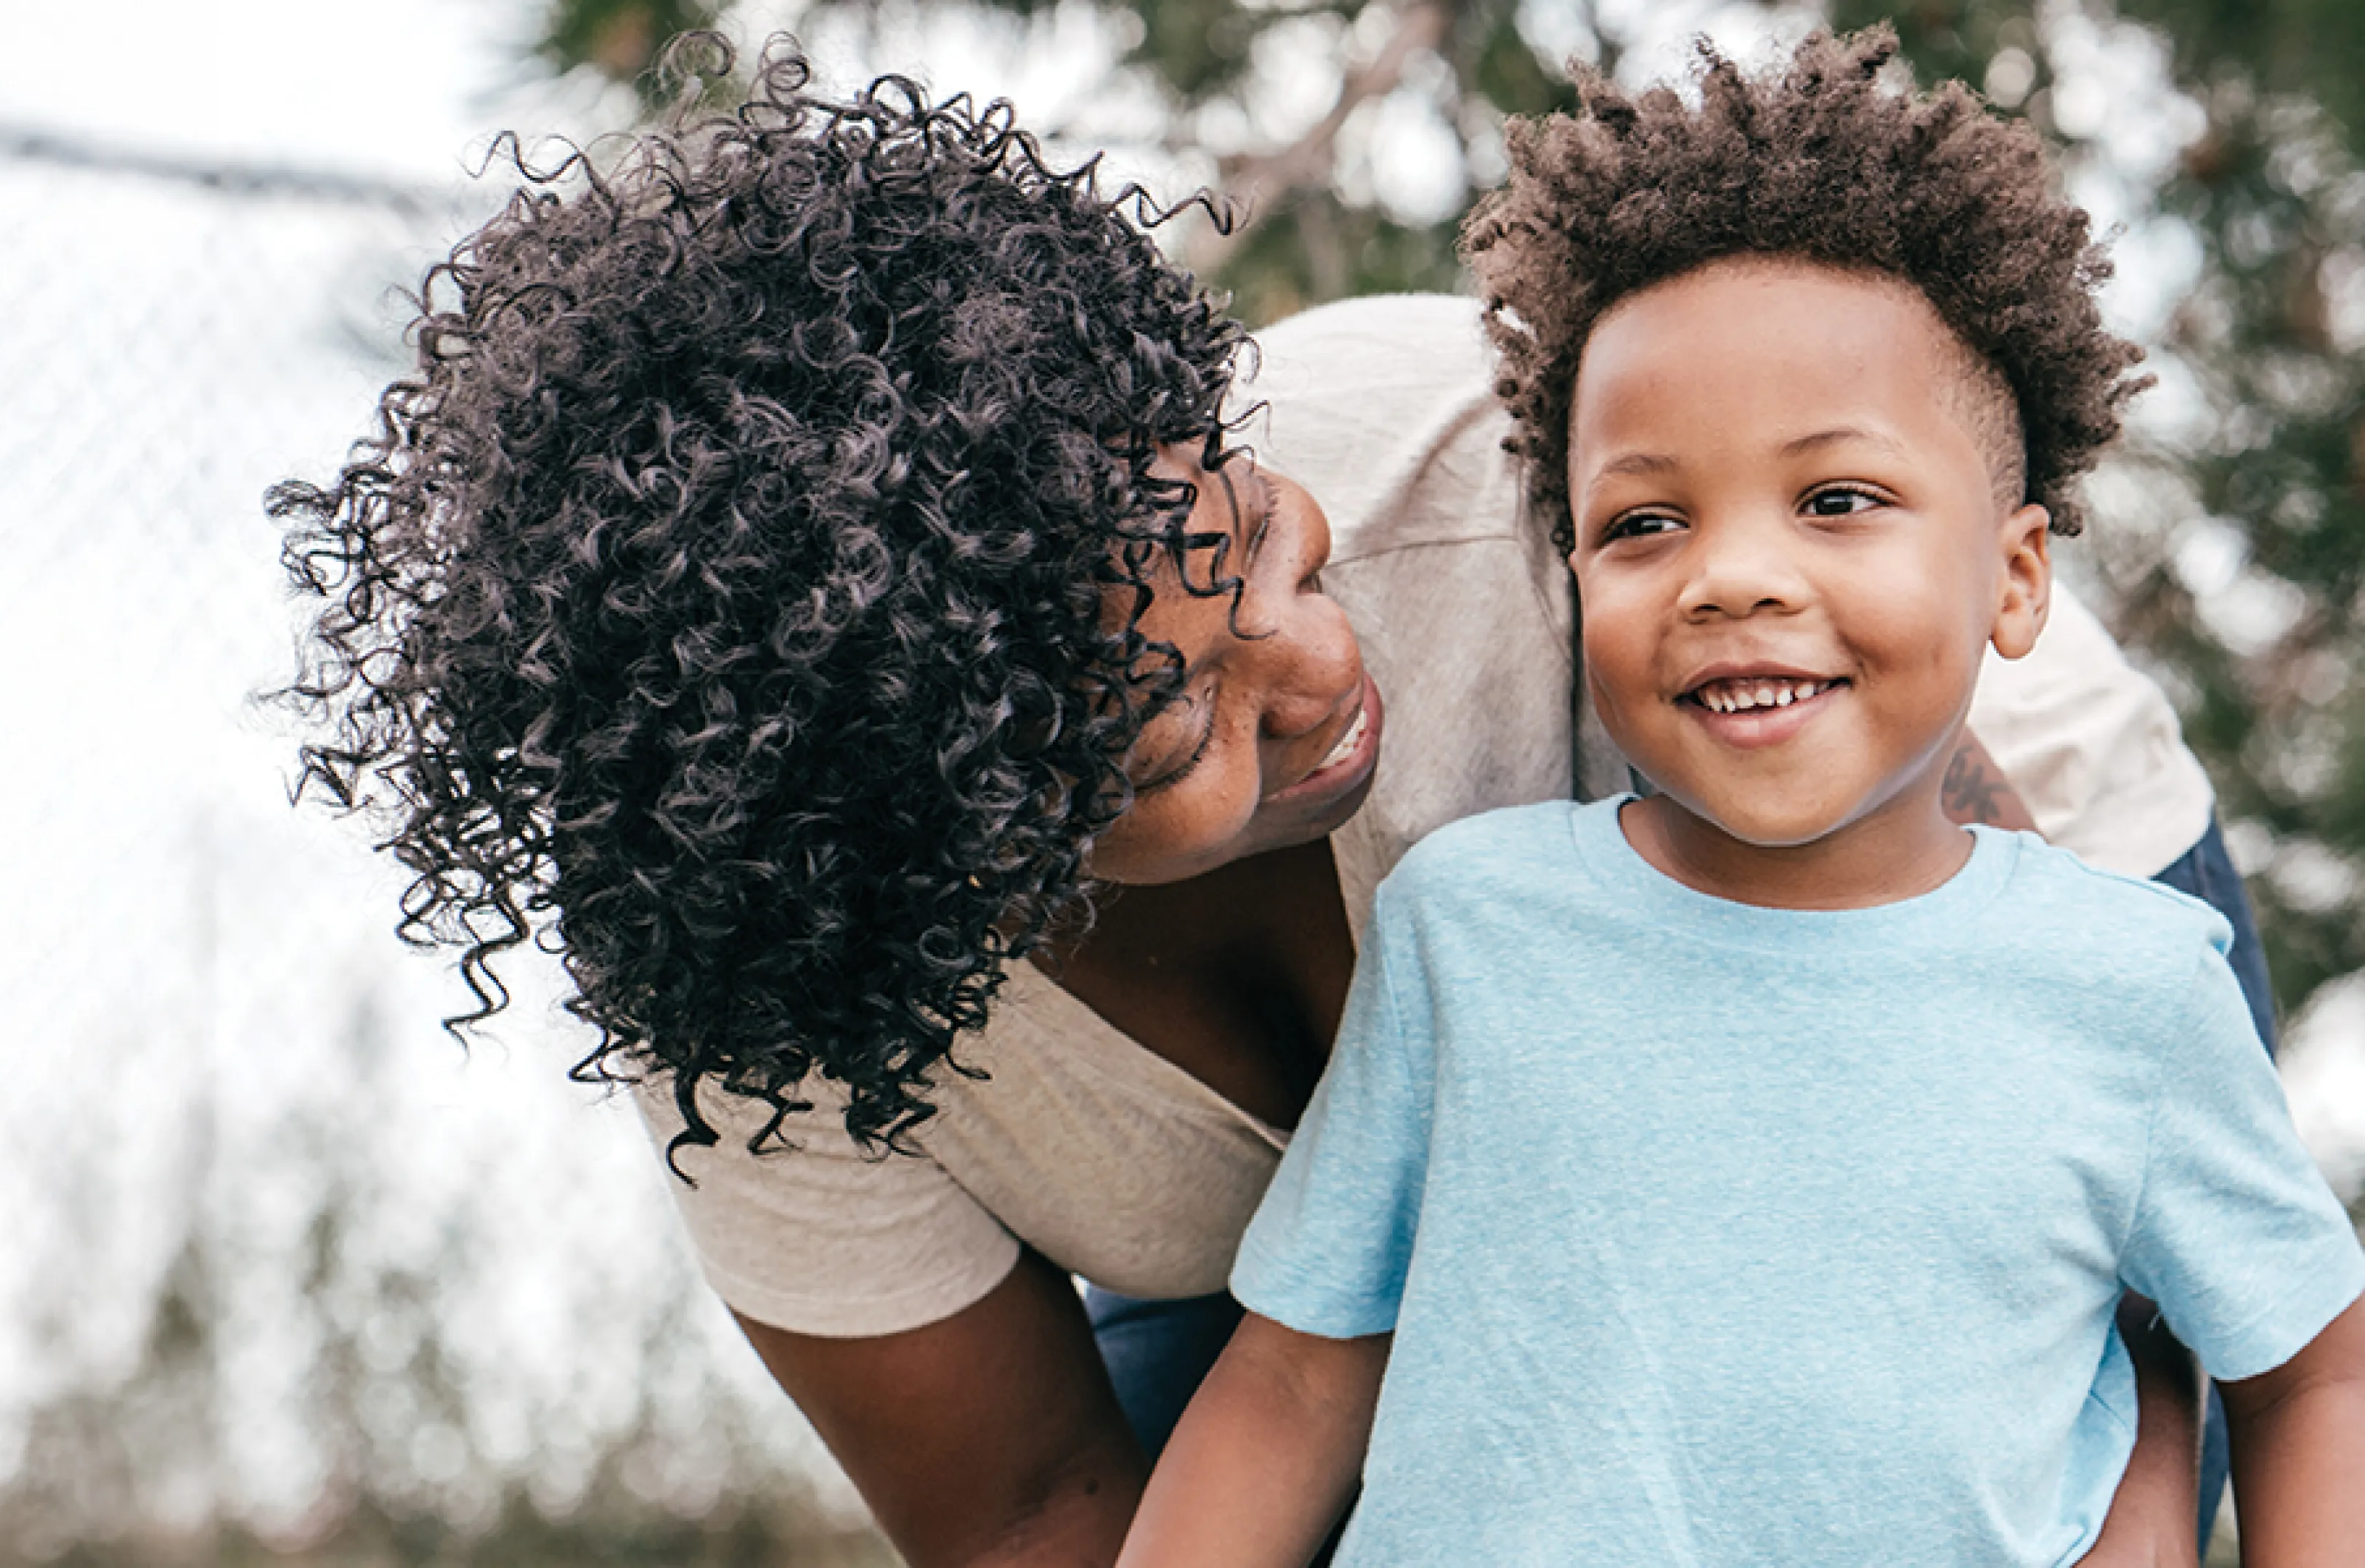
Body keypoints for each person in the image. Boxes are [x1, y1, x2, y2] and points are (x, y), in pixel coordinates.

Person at [275, 34, 2252, 1564]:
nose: (1321, 676)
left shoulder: (1480, 483)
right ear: (959, 861)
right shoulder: (773, 1006)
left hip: (1989, 919)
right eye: (1179, 732)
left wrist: (2139, 1524)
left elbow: (2041, 1166)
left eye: (1261, 548)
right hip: (1296, 1268)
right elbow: (1048, 1511)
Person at [1121, 28, 2365, 1567]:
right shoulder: (1469, 928)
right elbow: (1302, 1375)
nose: (1733, 577)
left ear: (2018, 578)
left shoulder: (2132, 993)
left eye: (1837, 499)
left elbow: (2313, 1368)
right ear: (1570, 570)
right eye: (1644, 520)